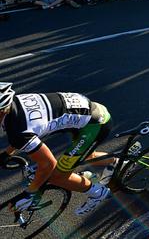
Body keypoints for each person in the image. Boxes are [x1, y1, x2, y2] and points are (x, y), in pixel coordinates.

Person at [0, 83, 113, 216]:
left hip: (94, 125)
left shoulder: (18, 131)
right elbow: (26, 132)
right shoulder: (15, 103)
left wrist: (30, 192)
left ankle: (98, 193)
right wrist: (6, 153)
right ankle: (115, 161)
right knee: (85, 155)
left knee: (56, 176)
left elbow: (48, 164)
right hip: (91, 110)